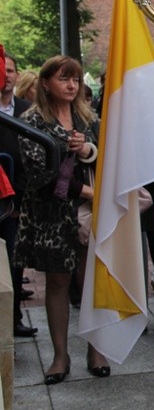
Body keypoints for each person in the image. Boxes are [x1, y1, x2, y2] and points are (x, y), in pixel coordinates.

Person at [14, 55, 111, 383]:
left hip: (88, 215)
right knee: (57, 282)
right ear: (45, 83)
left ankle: (95, 348)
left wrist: (87, 152)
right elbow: (39, 174)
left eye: (76, 79)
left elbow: (106, 155)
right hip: (52, 217)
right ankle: (60, 354)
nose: (71, 85)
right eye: (63, 78)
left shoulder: (89, 119)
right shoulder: (31, 121)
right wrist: (87, 191)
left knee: (90, 282)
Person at [0, 51, 37, 336]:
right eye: (4, 70)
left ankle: (12, 320)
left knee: (15, 262)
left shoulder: (28, 111)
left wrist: (20, 199)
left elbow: (33, 159)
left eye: (12, 70)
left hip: (17, 204)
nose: (8, 75)